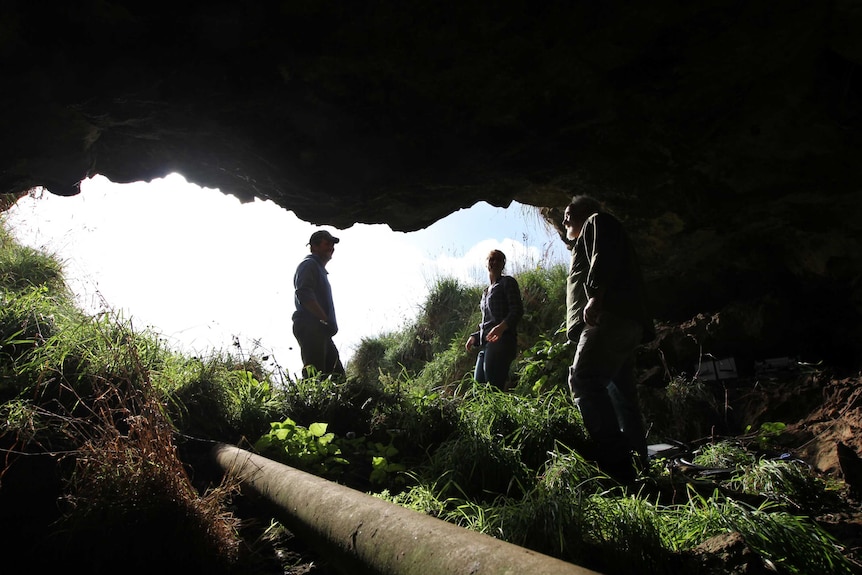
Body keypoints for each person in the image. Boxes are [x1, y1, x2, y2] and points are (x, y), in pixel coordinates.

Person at [563, 195, 655, 482]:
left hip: (608, 318)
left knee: (584, 381)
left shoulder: (596, 221)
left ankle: (618, 469)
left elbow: (603, 254)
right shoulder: (586, 236)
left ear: (583, 212)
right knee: (624, 399)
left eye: (568, 214)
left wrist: (596, 296)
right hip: (623, 323)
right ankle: (641, 470)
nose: (564, 220)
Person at [465, 249, 524, 390]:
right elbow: (487, 320)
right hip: (486, 343)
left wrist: (501, 327)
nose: (495, 262)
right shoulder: (485, 292)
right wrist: (475, 337)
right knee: (478, 388)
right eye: (492, 259)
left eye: (499, 260)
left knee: (493, 387)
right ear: (486, 263)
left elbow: (517, 310)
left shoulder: (507, 282)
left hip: (502, 340)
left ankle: (500, 412)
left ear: (503, 264)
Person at [292, 229, 345, 378]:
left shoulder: (319, 269)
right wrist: (324, 318)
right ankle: (309, 401)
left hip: (321, 330)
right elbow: (304, 294)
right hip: (311, 326)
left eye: (333, 245)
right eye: (327, 243)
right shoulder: (309, 264)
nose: (331, 248)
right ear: (314, 246)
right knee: (315, 375)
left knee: (336, 376)